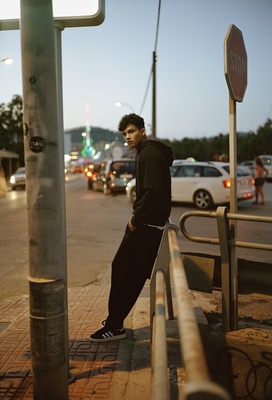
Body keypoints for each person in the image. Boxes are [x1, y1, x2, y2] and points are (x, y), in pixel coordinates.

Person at [89, 113, 173, 342]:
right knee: (127, 271)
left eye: (132, 131)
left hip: (146, 225)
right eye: (125, 133)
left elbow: (153, 192)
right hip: (148, 224)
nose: (127, 136)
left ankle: (115, 326)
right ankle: (115, 320)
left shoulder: (149, 154)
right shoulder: (148, 152)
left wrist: (135, 219)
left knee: (127, 272)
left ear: (143, 130)